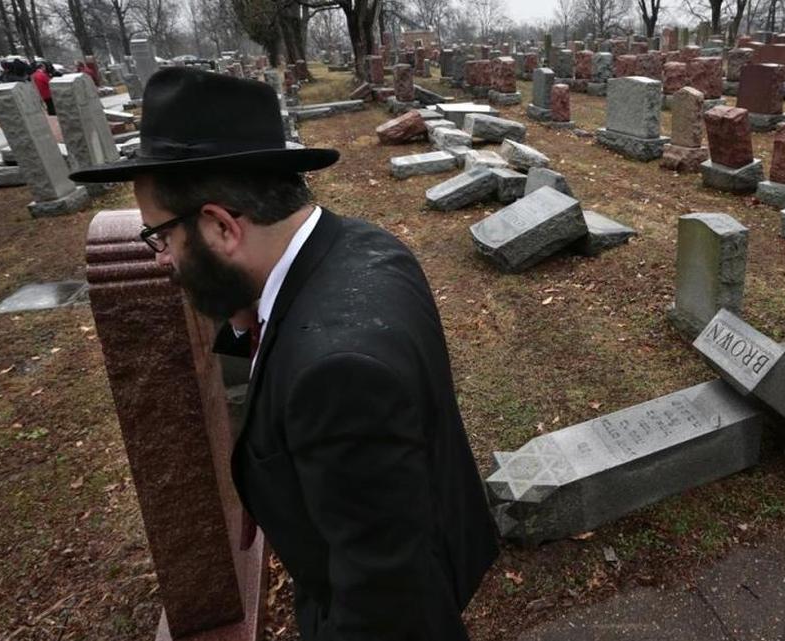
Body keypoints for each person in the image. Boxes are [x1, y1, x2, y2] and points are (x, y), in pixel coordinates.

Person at [69, 66, 499, 640]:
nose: (159, 258)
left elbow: (388, 607)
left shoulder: (334, 375)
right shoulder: (362, 242)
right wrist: (247, 316)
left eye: (161, 236)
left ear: (221, 226)